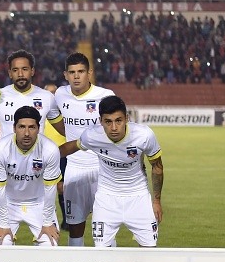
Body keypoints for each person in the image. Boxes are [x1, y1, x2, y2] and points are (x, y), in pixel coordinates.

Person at [59, 96, 164, 247]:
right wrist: (45, 156)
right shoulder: (92, 135)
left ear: (127, 118)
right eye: (108, 122)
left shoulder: (144, 135)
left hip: (139, 197)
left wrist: (156, 201)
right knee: (102, 253)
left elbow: (157, 167)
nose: (114, 127)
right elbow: (70, 147)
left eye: (118, 120)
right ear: (100, 120)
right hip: (106, 199)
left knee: (149, 250)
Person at [54, 52, 115, 246]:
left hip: (101, 169)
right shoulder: (60, 94)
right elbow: (58, 120)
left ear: (89, 73)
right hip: (73, 169)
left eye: (81, 71)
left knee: (105, 227)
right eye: (72, 72)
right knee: (75, 226)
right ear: (66, 75)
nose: (76, 76)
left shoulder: (105, 96)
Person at [0, 106, 61, 246]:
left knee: (49, 244)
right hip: (8, 203)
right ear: (14, 128)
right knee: (2, 244)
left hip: (39, 203)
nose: (27, 133)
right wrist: (3, 223)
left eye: (32, 127)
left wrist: (47, 222)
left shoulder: (50, 150)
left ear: (39, 128)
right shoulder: (0, 149)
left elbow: (51, 189)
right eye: (22, 127)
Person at [0, 50, 65, 139]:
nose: (20, 74)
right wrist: (1, 145)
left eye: (24, 69)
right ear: (10, 73)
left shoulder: (47, 97)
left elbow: (65, 131)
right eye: (15, 70)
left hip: (37, 153)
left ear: (32, 71)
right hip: (6, 153)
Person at [43, 83, 68, 231]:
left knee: (61, 187)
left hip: (63, 153)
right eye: (49, 93)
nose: (52, 95)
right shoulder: (41, 114)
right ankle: (47, 219)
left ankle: (66, 219)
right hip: (45, 155)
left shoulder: (63, 114)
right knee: (47, 188)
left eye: (54, 93)